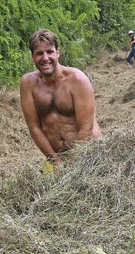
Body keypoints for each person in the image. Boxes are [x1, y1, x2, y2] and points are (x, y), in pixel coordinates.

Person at [20, 29, 102, 166]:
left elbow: (86, 128)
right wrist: (57, 162)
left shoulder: (77, 79)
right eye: (39, 53)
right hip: (57, 157)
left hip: (89, 153)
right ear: (32, 57)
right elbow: (34, 128)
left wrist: (71, 165)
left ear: (58, 53)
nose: (45, 58)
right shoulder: (28, 84)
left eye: (50, 52)